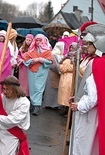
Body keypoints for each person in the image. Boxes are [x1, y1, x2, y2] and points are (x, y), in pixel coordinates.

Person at [69, 24, 105, 155]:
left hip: (90, 113)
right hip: (92, 111)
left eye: (90, 44)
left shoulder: (97, 63)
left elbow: (93, 96)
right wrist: (77, 97)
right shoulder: (98, 61)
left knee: (83, 145)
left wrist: (79, 105)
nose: (86, 46)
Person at [23, 34, 53, 115]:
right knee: (32, 88)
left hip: (42, 71)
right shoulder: (32, 50)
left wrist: (40, 59)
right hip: (32, 71)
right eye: (37, 40)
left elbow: (50, 61)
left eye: (40, 40)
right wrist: (32, 61)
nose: (38, 42)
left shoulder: (47, 51)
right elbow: (25, 59)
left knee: (39, 89)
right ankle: (33, 103)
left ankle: (37, 106)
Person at [43, 41, 65, 109]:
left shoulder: (59, 55)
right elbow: (54, 65)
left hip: (55, 74)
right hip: (53, 73)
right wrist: (60, 71)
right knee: (51, 89)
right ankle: (50, 104)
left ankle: (52, 104)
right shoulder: (54, 54)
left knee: (54, 89)